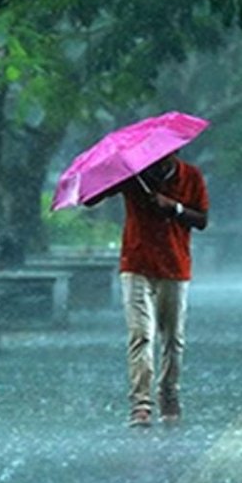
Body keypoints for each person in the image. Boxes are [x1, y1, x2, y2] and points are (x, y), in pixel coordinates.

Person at [85, 151, 209, 427]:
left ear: (175, 152)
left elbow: (201, 220)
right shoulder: (134, 176)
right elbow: (90, 199)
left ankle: (169, 394)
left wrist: (174, 208)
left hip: (175, 266)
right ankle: (141, 404)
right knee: (141, 334)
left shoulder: (191, 176)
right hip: (136, 263)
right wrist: (109, 178)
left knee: (173, 338)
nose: (158, 160)